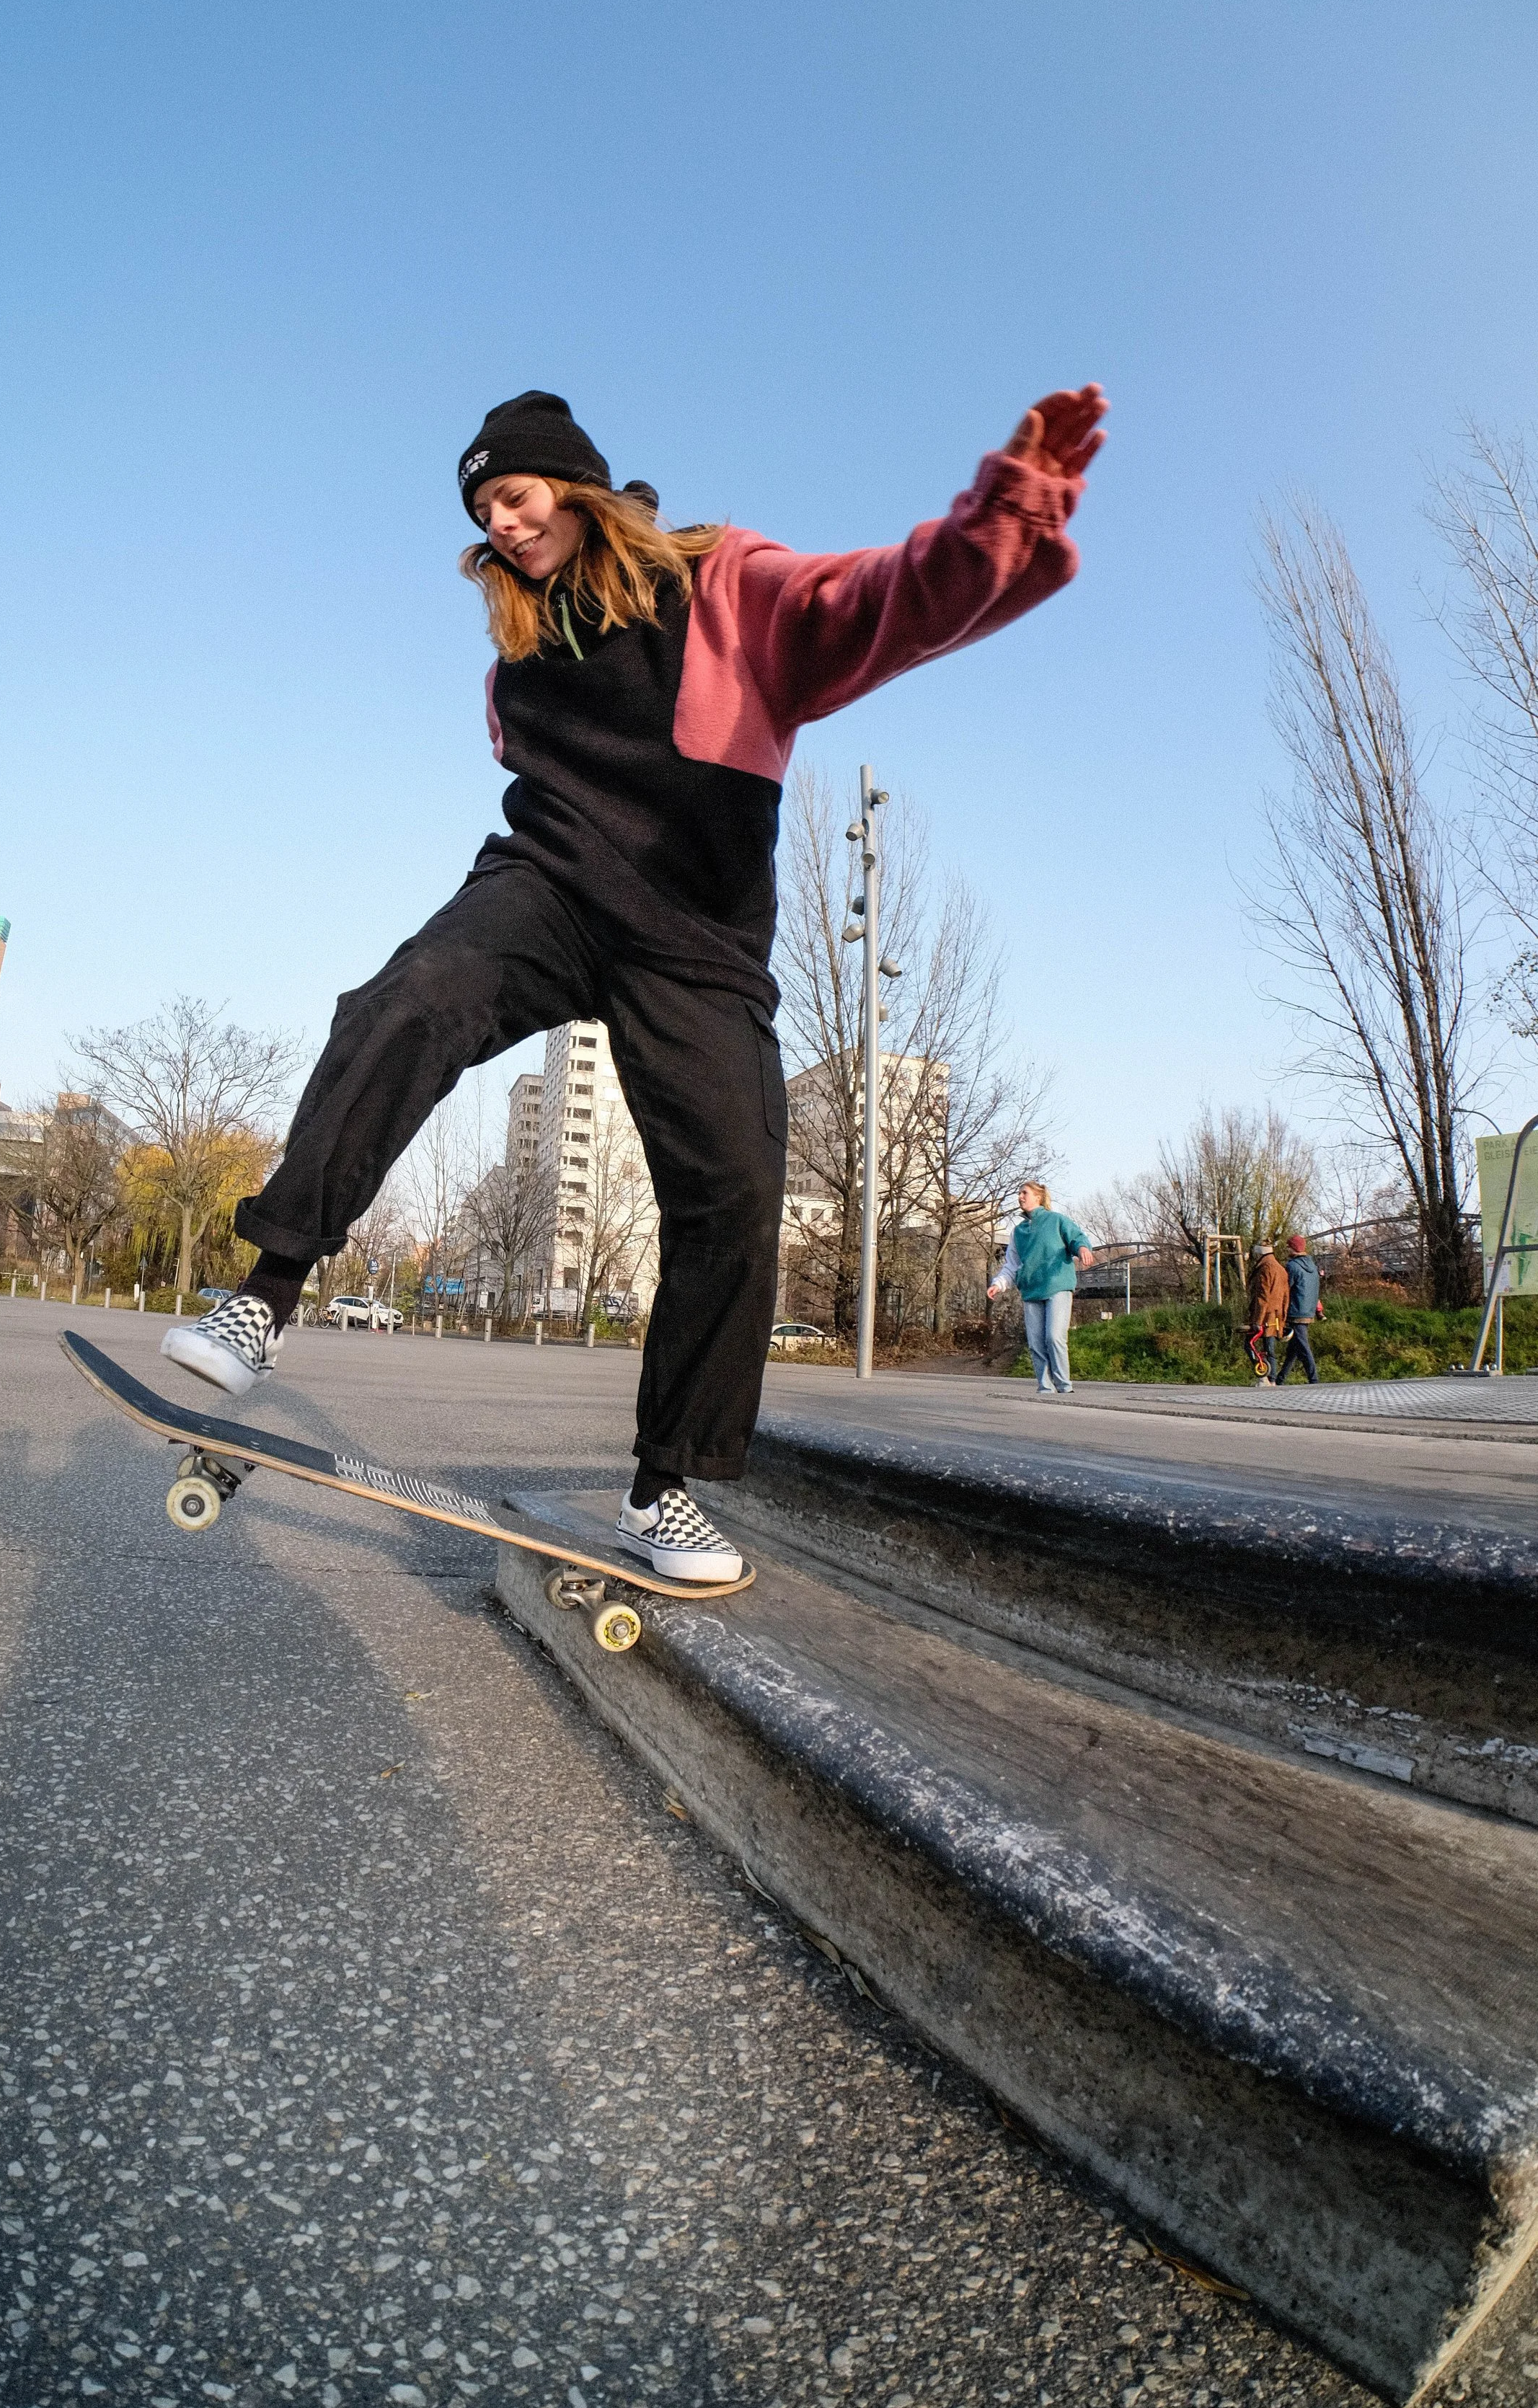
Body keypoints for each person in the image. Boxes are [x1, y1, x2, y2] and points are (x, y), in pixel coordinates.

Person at [162, 381, 1107, 1576]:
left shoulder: (716, 580)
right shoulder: (514, 662)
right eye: (481, 510)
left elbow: (867, 602)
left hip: (696, 939)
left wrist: (997, 521)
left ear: (577, 485)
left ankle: (667, 1491)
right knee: (411, 1000)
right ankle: (266, 1294)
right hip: (549, 888)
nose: (501, 524)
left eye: (515, 493)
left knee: (735, 1193)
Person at [988, 1179, 1095, 1391]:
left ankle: (1064, 1386)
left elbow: (1076, 1238)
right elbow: (1013, 1264)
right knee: (1036, 1342)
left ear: (1038, 1197)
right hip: (1031, 1290)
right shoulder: (1018, 1232)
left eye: (1024, 1193)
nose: (1020, 1197)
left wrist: (1082, 1248)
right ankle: (1045, 1388)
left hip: (1057, 1285)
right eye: (1019, 1193)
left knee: (1054, 1336)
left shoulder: (1056, 1221)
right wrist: (999, 1283)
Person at [1273, 1234, 1323, 1384]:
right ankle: (1280, 1379)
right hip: (1308, 1310)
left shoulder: (1292, 1266)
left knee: (1303, 1346)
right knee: (1294, 1348)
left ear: (1293, 1248)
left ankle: (1314, 1380)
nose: (1287, 1249)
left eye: (1288, 1246)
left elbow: (1285, 1289)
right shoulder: (1313, 1267)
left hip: (1295, 1311)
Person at [1245, 1239, 1289, 1379]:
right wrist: (1283, 1317)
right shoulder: (1281, 1269)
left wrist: (1257, 1320)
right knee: (1270, 1349)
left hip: (1265, 1316)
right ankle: (1272, 1378)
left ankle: (1265, 1375)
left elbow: (1262, 1297)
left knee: (1249, 1344)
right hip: (1276, 1315)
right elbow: (1287, 1296)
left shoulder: (1265, 1269)